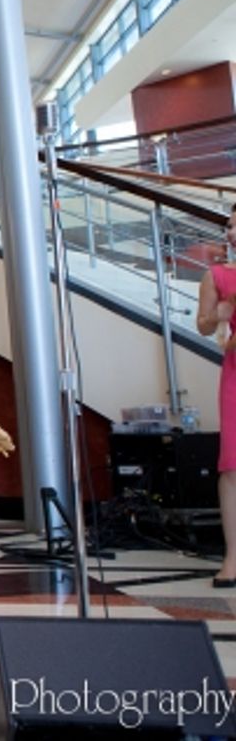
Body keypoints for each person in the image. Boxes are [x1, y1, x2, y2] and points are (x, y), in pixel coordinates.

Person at [197, 204, 236, 587]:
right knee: (233, 467)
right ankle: (233, 558)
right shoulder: (217, 276)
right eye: (230, 225)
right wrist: (220, 314)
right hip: (235, 374)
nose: (232, 232)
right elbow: (204, 327)